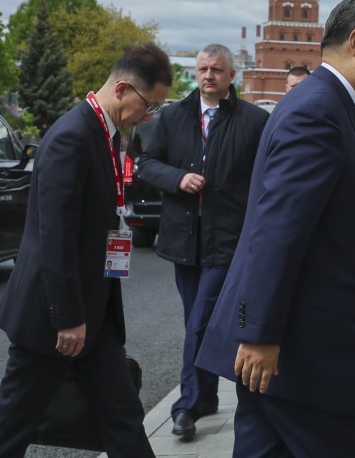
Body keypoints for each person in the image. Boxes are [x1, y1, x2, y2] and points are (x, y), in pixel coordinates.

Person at [196, 0, 355, 457]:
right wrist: (259, 333)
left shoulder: (332, 105)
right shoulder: (318, 111)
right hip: (304, 355)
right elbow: (277, 231)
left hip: (297, 353)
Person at [0, 43, 172, 458]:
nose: (148, 116)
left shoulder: (102, 133)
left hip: (93, 318)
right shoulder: (72, 136)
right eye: (149, 104)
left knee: (124, 420)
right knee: (10, 430)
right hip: (55, 321)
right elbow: (55, 237)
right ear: (122, 89)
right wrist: (68, 318)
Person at [138, 43, 269, 437]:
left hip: (227, 239)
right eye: (203, 69)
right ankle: (208, 396)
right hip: (183, 239)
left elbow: (264, 176)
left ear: (232, 75)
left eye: (216, 69)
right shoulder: (173, 116)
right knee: (196, 319)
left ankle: (187, 406)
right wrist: (177, 178)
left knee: (199, 324)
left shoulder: (253, 120)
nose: (208, 75)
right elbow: (147, 163)